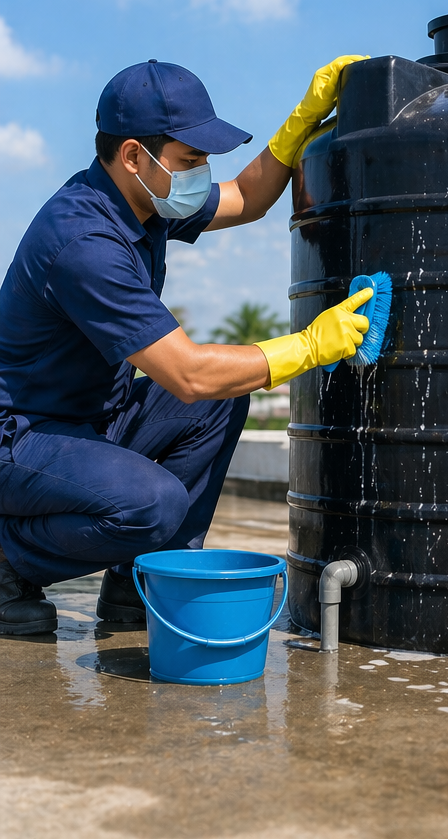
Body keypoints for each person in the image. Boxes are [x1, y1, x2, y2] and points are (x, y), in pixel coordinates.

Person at [0, 56, 374, 635]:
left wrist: (298, 125)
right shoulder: (83, 241)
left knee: (223, 400)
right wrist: (307, 346)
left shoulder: (143, 201)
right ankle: (7, 561)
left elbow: (246, 197)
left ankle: (139, 581)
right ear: (133, 155)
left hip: (92, 418)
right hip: (21, 436)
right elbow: (189, 373)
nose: (201, 173)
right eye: (191, 161)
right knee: (152, 503)